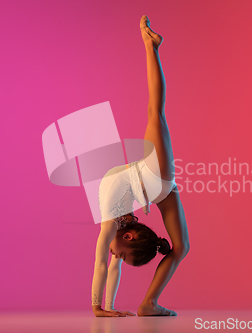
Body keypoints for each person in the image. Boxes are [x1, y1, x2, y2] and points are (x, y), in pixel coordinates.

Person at [91, 15, 190, 317]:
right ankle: (152, 46)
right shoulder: (113, 225)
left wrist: (105, 307)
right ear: (130, 236)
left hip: (155, 187)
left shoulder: (116, 224)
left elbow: (107, 266)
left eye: (119, 255)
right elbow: (101, 263)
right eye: (119, 252)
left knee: (181, 247)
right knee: (154, 110)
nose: (113, 255)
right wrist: (98, 307)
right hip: (151, 178)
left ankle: (149, 303)